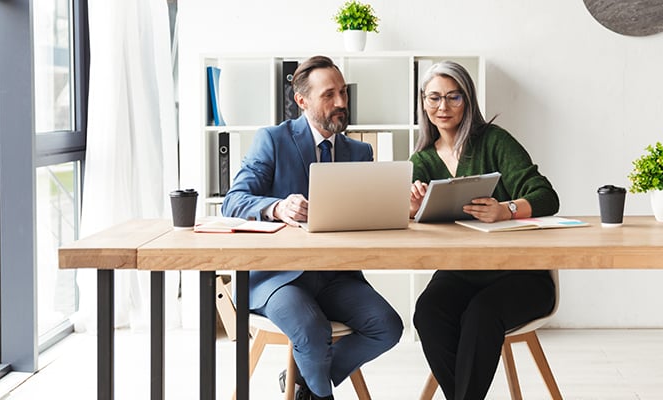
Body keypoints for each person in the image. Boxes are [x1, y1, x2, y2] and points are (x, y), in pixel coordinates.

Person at [222, 55, 403, 400]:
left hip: (336, 275)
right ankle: (319, 391)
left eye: (343, 93)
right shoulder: (272, 140)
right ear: (301, 101)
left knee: (387, 327)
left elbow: (364, 216)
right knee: (312, 330)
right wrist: (276, 207)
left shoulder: (360, 151)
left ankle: (304, 382)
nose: (340, 103)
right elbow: (234, 200)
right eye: (328, 95)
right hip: (278, 276)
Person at [409, 60, 559, 400]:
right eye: (433, 98)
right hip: (460, 272)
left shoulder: (494, 141)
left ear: (469, 100)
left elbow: (547, 196)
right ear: (423, 102)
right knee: (427, 313)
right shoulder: (420, 161)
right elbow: (406, 220)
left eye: (453, 97)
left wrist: (506, 210)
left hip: (521, 274)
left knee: (481, 315)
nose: (442, 107)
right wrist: (414, 210)